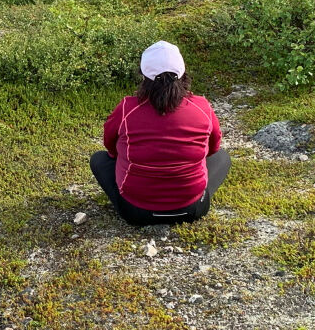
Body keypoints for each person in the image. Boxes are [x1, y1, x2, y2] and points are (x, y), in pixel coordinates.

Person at [90, 41, 231, 226]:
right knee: (222, 157)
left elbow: (110, 146)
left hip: (135, 212)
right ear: (183, 74)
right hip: (192, 209)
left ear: (143, 76)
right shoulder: (202, 106)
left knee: (99, 159)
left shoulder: (127, 108)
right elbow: (213, 149)